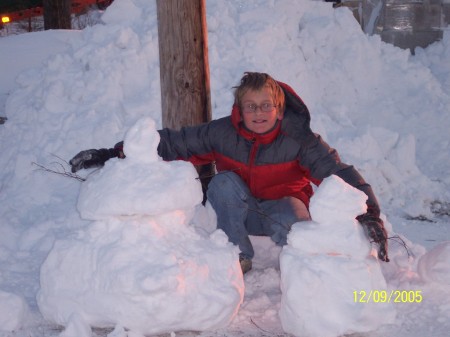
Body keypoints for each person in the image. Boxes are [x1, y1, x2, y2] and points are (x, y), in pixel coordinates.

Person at [70, 72, 389, 274]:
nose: (259, 113)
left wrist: (369, 213)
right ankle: (239, 254)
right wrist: (114, 152)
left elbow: (337, 171)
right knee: (221, 182)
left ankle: (299, 263)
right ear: (239, 108)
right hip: (241, 213)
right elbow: (176, 142)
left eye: (266, 105)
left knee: (293, 208)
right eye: (251, 106)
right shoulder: (223, 132)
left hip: (284, 213)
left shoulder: (299, 139)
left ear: (278, 108)